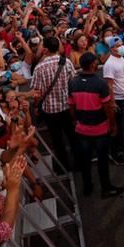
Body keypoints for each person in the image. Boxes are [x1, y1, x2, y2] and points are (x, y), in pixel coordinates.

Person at [68, 53, 123, 197]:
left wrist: (75, 120)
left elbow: (71, 106)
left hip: (82, 129)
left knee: (85, 160)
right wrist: (113, 125)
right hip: (100, 129)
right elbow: (108, 108)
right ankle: (106, 188)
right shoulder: (100, 84)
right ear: (93, 64)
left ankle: (87, 186)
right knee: (102, 160)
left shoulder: (73, 83)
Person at [30, 36, 76, 171]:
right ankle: (79, 163)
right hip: (67, 106)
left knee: (58, 141)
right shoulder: (66, 62)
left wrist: (37, 106)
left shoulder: (39, 68)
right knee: (72, 137)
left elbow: (37, 92)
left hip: (50, 111)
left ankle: (64, 167)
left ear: (45, 49)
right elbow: (73, 82)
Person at [102, 37, 124, 165]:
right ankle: (115, 152)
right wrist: (112, 102)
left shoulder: (121, 58)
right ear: (111, 49)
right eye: (117, 46)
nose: (121, 47)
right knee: (117, 127)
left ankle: (121, 148)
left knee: (122, 125)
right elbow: (109, 85)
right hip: (118, 99)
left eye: (121, 44)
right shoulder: (109, 64)